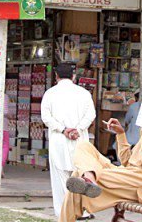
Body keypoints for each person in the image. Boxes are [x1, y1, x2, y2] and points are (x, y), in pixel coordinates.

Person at [59, 88, 142, 222]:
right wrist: (121, 134)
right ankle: (90, 177)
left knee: (77, 175)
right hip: (131, 176)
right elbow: (128, 162)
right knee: (83, 146)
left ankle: (89, 179)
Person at [41, 63, 96, 219]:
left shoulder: (50, 94)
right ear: (73, 76)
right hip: (79, 141)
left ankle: (64, 213)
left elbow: (46, 118)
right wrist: (78, 129)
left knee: (60, 179)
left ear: (56, 76)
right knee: (80, 175)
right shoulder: (84, 93)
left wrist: (64, 129)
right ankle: (82, 210)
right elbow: (90, 115)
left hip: (59, 140)